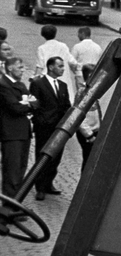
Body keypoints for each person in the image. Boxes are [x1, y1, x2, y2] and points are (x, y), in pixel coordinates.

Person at [30, 56, 71, 201]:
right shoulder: (38, 83)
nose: (62, 69)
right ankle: (40, 187)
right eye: (60, 66)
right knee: (42, 156)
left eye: (63, 66)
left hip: (58, 128)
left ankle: (49, 183)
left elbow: (66, 105)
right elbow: (34, 104)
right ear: (51, 67)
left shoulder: (63, 86)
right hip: (44, 127)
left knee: (56, 157)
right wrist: (40, 120)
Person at [0, 56, 36, 198]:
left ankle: (15, 204)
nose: (22, 70)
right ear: (10, 68)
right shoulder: (3, 85)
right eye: (20, 67)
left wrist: (26, 104)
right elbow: (14, 107)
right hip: (11, 133)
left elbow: (35, 102)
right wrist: (27, 104)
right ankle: (9, 206)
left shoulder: (20, 85)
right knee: (12, 172)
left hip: (23, 132)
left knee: (21, 169)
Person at [37, 25, 79, 102]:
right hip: (63, 77)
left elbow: (40, 65)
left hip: (48, 78)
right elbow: (72, 61)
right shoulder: (63, 46)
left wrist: (36, 77)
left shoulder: (42, 48)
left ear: (43, 35)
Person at [76, 63, 102, 166]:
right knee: (88, 161)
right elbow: (79, 116)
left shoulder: (93, 90)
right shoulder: (83, 92)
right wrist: (89, 135)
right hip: (88, 133)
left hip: (95, 130)